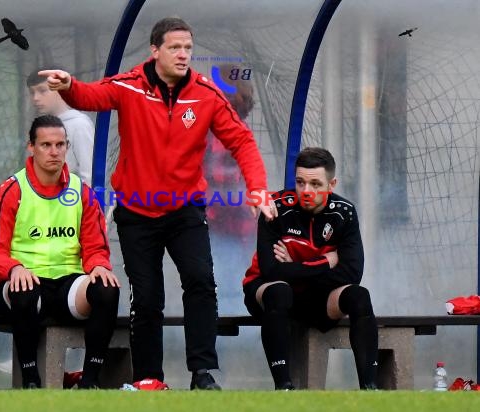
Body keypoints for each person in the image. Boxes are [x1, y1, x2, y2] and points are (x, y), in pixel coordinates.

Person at [39, 16, 277, 390]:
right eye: (175, 48)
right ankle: (149, 378)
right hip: (137, 212)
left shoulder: (206, 93)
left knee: (201, 283)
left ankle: (202, 373)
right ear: (155, 50)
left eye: (188, 48)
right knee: (147, 297)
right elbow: (91, 96)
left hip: (185, 210)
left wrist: (258, 188)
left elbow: (243, 142)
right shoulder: (130, 86)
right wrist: (68, 85)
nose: (183, 55)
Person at [0, 115, 120, 389]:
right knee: (23, 289)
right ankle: (31, 379)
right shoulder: (11, 190)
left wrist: (99, 266)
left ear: (67, 147)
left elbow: (95, 247)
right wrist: (14, 269)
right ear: (31, 147)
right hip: (24, 284)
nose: (54, 151)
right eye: (46, 145)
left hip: (67, 286)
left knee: (106, 287)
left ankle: (90, 381)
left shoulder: (81, 192)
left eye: (60, 144)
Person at [243, 147, 378, 390]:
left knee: (359, 296)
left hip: (318, 297)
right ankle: (283, 387)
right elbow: (271, 271)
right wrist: (326, 261)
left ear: (331, 184)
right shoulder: (274, 208)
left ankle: (370, 389)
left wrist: (293, 268)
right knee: (280, 291)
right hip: (269, 293)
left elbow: (352, 273)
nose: (306, 191)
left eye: (316, 184)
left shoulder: (344, 213)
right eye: (300, 182)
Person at [204, 64, 256, 314]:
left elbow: (221, 182)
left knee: (221, 286)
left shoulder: (219, 132)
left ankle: (227, 347)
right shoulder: (242, 128)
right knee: (233, 282)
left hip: (221, 223)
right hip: (240, 223)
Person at [26, 68, 94, 185]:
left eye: (42, 91)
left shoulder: (79, 125)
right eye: (32, 92)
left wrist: (80, 201)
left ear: (59, 89)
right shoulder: (39, 126)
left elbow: (89, 174)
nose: (35, 98)